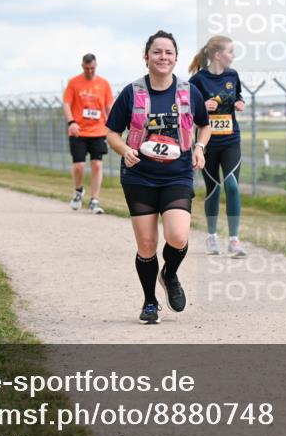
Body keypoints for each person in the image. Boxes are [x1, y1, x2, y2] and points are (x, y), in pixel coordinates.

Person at [106, 30, 211, 324]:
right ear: (146, 57)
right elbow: (111, 132)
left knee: (177, 236)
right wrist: (124, 148)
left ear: (176, 58)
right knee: (148, 244)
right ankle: (150, 302)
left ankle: (170, 273)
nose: (163, 57)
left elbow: (205, 125)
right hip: (139, 176)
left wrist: (200, 147)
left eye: (168, 52)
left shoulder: (190, 92)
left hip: (177, 174)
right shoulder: (132, 92)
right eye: (157, 52)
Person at [188, 35, 248, 257]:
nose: (233, 56)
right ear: (217, 55)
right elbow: (188, 112)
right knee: (214, 189)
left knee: (232, 186)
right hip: (208, 143)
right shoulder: (197, 81)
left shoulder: (233, 75)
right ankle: (211, 236)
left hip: (231, 140)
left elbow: (238, 97)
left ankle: (234, 240)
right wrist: (203, 106)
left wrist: (240, 103)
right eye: (231, 52)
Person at [63, 53, 114, 214]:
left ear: (96, 66)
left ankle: (94, 200)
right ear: (82, 66)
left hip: (98, 130)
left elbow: (109, 107)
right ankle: (78, 191)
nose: (89, 71)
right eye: (86, 68)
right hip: (78, 130)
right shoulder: (74, 83)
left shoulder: (104, 84)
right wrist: (71, 122)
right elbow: (66, 104)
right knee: (78, 165)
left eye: (92, 68)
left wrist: (112, 126)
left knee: (97, 165)